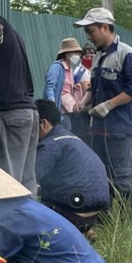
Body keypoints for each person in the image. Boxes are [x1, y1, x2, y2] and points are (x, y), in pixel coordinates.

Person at [74, 7, 132, 217]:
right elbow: (93, 87)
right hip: (98, 128)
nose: (88, 36)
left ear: (105, 27)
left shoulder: (126, 54)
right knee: (100, 177)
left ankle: (130, 225)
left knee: (121, 179)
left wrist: (109, 105)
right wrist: (86, 101)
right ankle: (106, 222)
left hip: (119, 127)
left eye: (91, 30)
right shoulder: (97, 57)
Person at [35, 100, 111, 235]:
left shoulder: (51, 144)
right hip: (93, 215)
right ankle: (84, 231)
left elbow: (32, 178)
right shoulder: (71, 138)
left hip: (72, 213)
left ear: (44, 124)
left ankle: (70, 232)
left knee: (26, 211)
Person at [0, 15, 38, 193]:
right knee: (26, 183)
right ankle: (29, 220)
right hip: (29, 113)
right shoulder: (15, 33)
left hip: (12, 115)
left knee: (9, 184)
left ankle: (10, 221)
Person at [43, 37, 91, 140]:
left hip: (67, 109)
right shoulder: (57, 67)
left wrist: (73, 87)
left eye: (78, 53)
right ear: (66, 53)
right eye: (75, 53)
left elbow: (64, 87)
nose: (77, 56)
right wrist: (52, 106)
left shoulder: (69, 69)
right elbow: (50, 87)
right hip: (58, 110)